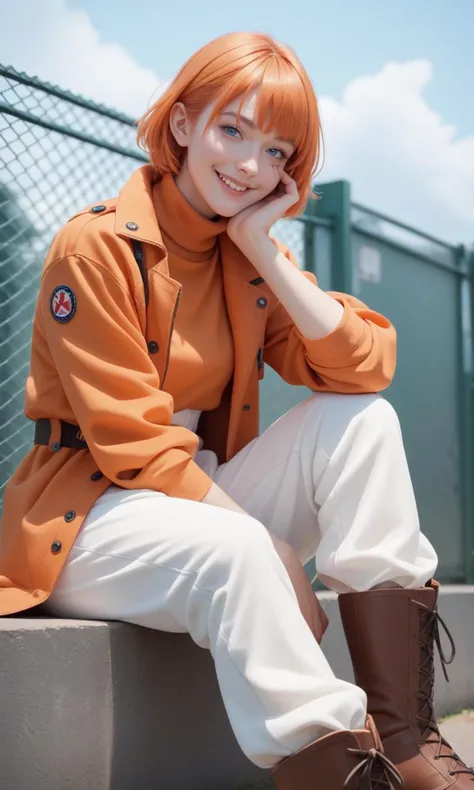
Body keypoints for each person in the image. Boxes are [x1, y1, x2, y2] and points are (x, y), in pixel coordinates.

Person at [0, 31, 472, 790]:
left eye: (278, 152)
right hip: (85, 520)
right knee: (241, 550)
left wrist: (264, 247)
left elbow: (364, 368)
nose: (251, 166)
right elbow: (133, 446)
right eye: (233, 130)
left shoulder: (242, 259)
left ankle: (406, 737)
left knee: (362, 423)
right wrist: (276, 549)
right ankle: (351, 778)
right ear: (183, 124)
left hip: (199, 501)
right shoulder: (94, 248)